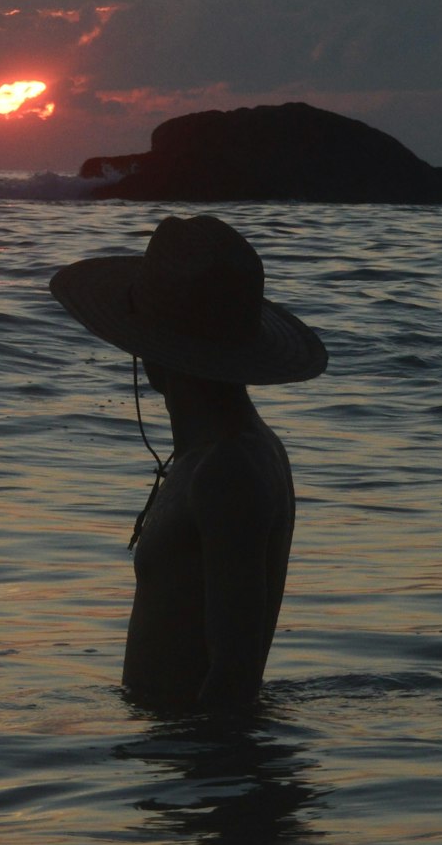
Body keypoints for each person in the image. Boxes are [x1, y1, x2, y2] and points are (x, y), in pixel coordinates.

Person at [49, 214, 327, 714]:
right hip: (179, 762)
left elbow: (233, 673)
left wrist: (203, 773)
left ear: (146, 346)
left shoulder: (227, 469)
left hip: (196, 764)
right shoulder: (224, 454)